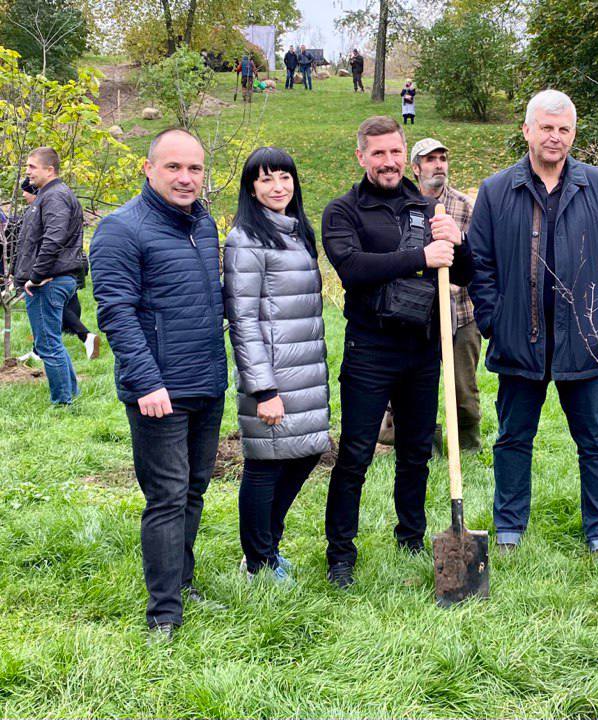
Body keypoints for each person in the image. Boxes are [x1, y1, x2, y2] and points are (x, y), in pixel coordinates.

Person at [468, 90, 598, 566]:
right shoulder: (497, 190)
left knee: (597, 441)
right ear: (527, 130)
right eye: (546, 127)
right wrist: (493, 320)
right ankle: (508, 528)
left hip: (584, 342)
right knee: (512, 438)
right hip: (519, 341)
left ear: (573, 134)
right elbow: (479, 265)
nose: (555, 137)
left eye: (564, 129)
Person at [90, 128, 228, 639]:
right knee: (167, 495)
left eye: (194, 168)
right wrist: (147, 381)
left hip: (206, 383)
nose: (186, 178)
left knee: (194, 488)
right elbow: (116, 313)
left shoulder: (204, 224)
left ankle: (183, 583)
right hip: (158, 392)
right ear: (148, 169)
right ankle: (164, 615)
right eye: (173, 167)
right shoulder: (120, 229)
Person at [321, 116, 469, 588]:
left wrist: (455, 243)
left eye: (395, 152)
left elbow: (463, 272)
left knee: (416, 453)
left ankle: (410, 536)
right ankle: (340, 553)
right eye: (378, 153)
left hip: (424, 349)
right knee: (356, 454)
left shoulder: (426, 209)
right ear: (361, 157)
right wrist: (420, 257)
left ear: (406, 155)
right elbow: (353, 268)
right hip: (370, 348)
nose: (388, 162)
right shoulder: (343, 211)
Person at [224, 147, 329, 582]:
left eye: (284, 177)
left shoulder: (297, 232)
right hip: (272, 376)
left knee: (306, 454)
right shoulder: (244, 240)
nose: (277, 186)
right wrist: (263, 389)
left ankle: (268, 546)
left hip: (305, 371)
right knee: (265, 466)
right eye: (266, 179)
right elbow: (242, 319)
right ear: (251, 187)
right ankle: (258, 562)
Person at [405, 137, 483, 452]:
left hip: (462, 314)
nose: (439, 165)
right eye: (430, 159)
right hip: (415, 316)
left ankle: (467, 445)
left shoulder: (465, 206)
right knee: (414, 388)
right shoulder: (404, 204)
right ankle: (425, 442)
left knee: (463, 389)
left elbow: (482, 255)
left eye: (443, 158)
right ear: (415, 168)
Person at [13, 147, 86, 406]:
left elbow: (53, 239)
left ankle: (62, 402)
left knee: (47, 345)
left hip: (48, 281)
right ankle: (71, 394)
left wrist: (36, 275)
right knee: (51, 342)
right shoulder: (48, 195)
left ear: (49, 169)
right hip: (51, 279)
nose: (28, 172)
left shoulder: (55, 197)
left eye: (32, 167)